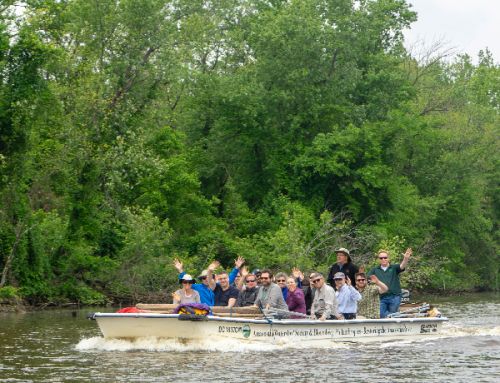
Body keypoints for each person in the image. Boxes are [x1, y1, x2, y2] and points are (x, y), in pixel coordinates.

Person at [367, 248, 413, 318]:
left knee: (393, 315)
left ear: (388, 258)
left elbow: (402, 266)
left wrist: (406, 258)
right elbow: (368, 280)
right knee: (381, 314)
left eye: (385, 257)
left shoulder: (394, 267)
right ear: (378, 259)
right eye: (381, 258)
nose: (383, 259)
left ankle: (394, 324)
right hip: (381, 297)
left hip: (395, 296)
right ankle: (395, 318)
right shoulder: (374, 270)